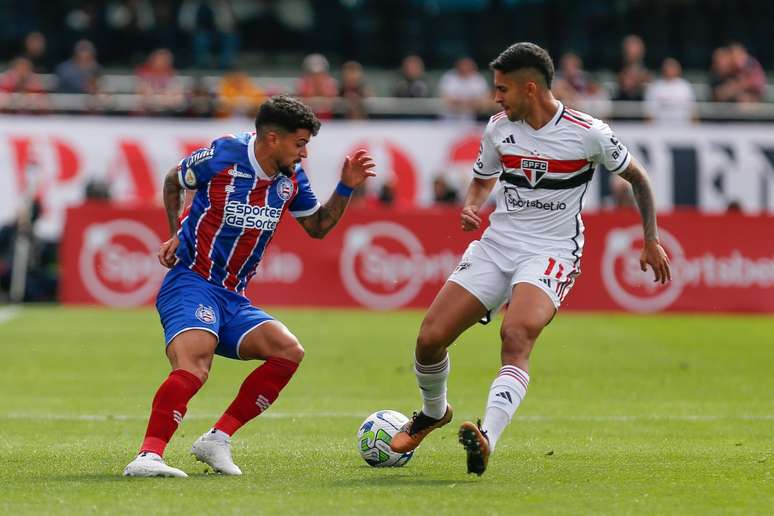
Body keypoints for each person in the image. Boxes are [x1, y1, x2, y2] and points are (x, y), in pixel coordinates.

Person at [389, 42, 671, 476]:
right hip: (497, 244)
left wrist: (650, 240)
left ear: (531, 89)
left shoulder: (588, 132)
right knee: (429, 338)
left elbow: (639, 178)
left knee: (516, 333)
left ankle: (487, 438)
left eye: (503, 89)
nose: (496, 97)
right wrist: (471, 204)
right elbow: (483, 179)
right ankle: (433, 413)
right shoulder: (499, 128)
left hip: (552, 251)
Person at [123, 95, 376, 477]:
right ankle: (148, 456)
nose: (304, 153)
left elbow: (318, 227)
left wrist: (345, 187)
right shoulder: (225, 154)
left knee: (288, 351)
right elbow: (174, 179)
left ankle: (217, 439)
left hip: (233, 296)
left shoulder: (290, 178)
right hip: (192, 280)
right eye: (300, 143)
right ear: (273, 139)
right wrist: (175, 233)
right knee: (196, 362)